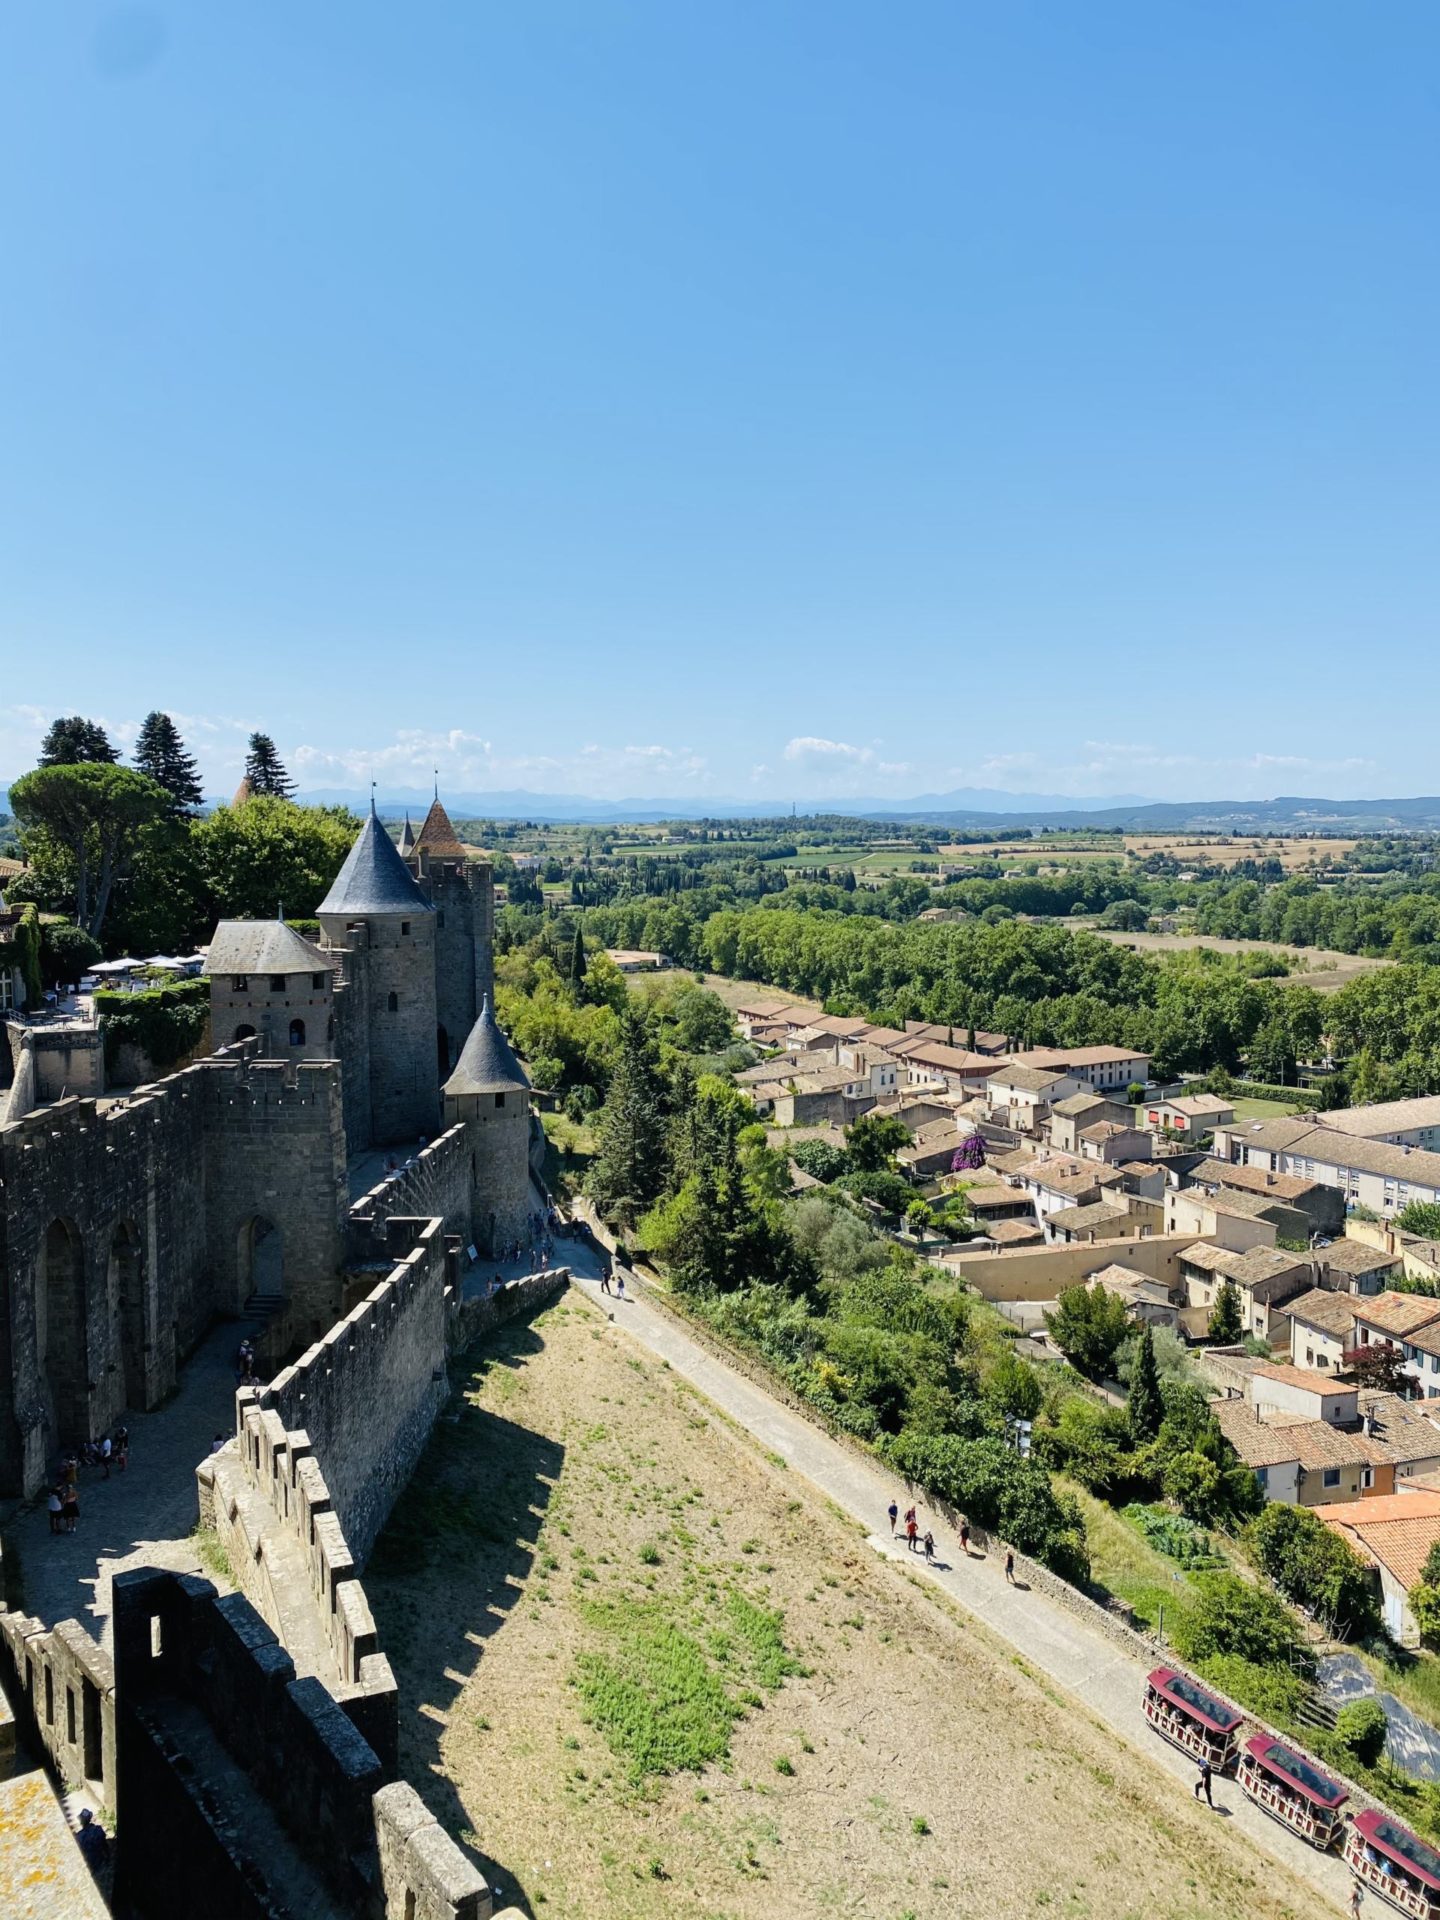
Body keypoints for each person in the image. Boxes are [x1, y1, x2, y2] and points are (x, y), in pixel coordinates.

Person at [75, 1808, 109, 1874]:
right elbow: (105, 1845)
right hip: (99, 1861)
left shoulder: (79, 1836)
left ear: (81, 1822)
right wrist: (107, 1857)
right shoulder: (98, 1829)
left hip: (89, 1865)